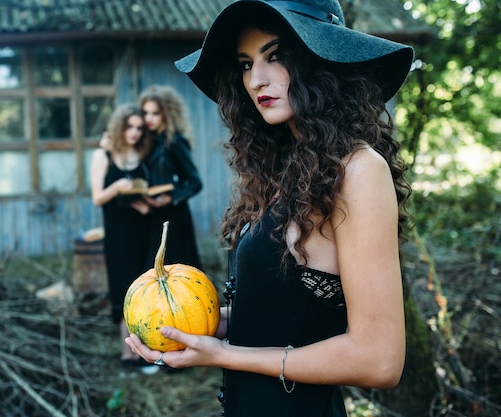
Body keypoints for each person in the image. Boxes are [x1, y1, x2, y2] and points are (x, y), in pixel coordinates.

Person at [126, 0, 414, 414]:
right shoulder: (284, 170)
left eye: (276, 56)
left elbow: (379, 361)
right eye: (245, 64)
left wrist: (223, 355)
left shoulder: (359, 171)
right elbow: (281, 314)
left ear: (322, 61)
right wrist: (180, 324)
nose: (257, 79)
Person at [90, 103, 158, 375]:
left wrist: (144, 203)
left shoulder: (142, 154)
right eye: (129, 127)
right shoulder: (104, 154)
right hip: (119, 236)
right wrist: (118, 187)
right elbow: (97, 198)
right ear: (119, 126)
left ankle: (144, 353)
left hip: (144, 231)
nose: (134, 132)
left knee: (145, 291)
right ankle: (126, 355)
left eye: (139, 128)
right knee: (124, 293)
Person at [139, 85, 203, 270]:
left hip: (173, 215)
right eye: (145, 112)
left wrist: (172, 198)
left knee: (176, 269)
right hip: (151, 214)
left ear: (167, 114)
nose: (148, 118)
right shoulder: (147, 141)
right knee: (152, 270)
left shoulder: (175, 141)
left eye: (155, 113)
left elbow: (195, 182)